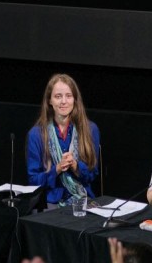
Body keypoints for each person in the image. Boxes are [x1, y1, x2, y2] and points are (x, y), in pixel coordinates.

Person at [26, 74, 101, 206]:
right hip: (50, 202)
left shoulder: (90, 129)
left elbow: (92, 174)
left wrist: (75, 166)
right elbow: (33, 181)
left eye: (68, 96)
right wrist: (57, 169)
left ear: (75, 99)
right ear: (49, 100)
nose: (63, 101)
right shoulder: (36, 134)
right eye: (58, 96)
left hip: (83, 199)